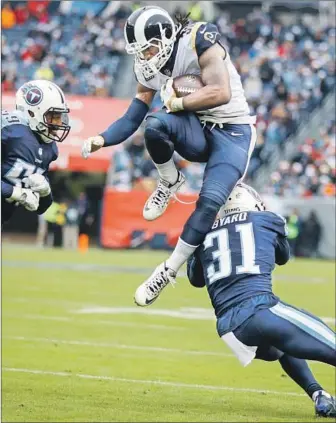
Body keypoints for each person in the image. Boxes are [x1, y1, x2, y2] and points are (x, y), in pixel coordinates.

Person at [81, 6, 256, 305]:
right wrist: (102, 138)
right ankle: (169, 180)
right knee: (155, 125)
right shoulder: (149, 66)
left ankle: (166, 270)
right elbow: (134, 114)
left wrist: (176, 103)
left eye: (147, 49)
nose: (145, 57)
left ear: (164, 37)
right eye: (139, 52)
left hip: (233, 132)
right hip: (197, 129)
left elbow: (220, 92)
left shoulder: (199, 39)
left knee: (210, 201)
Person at [184, 182, 335, 418]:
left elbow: (196, 279)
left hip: (231, 328)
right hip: (260, 308)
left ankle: (319, 395)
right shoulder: (266, 219)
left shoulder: (204, 235)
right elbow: (283, 257)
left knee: (281, 348)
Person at [1, 79, 70, 225]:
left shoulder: (49, 148)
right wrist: (15, 192)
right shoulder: (8, 130)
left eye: (60, 117)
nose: (58, 124)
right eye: (54, 116)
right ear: (32, 112)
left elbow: (41, 208)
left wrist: (45, 191)